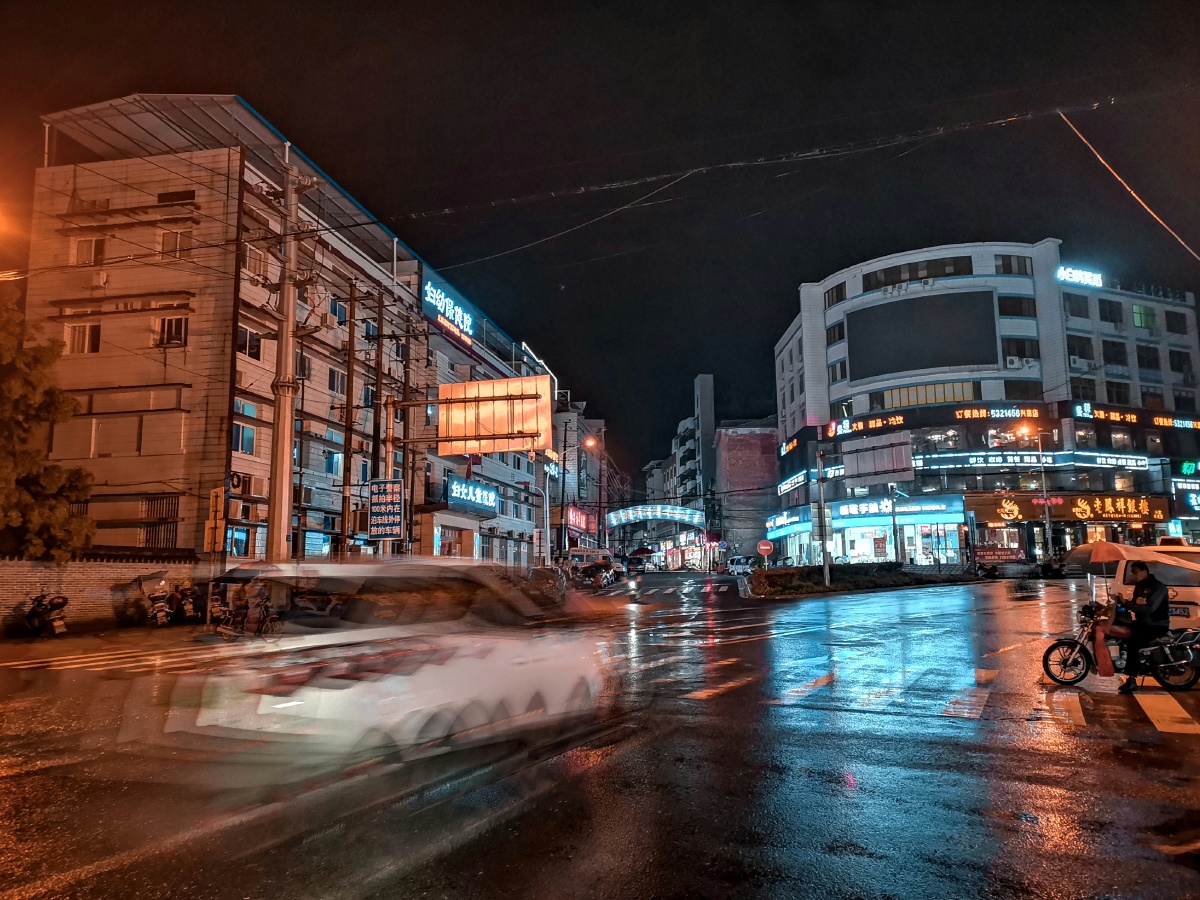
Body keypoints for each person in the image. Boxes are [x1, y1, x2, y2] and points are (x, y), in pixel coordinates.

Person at [1120, 560, 1172, 693]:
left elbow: (1150, 608)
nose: (1134, 575)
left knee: (1133, 642)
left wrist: (1127, 603)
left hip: (1156, 625)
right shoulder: (1139, 586)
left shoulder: (1158, 587)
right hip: (1143, 623)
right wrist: (1120, 604)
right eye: (1132, 573)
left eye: (1135, 572)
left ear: (1144, 571)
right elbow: (1135, 604)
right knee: (1123, 632)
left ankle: (1131, 679)